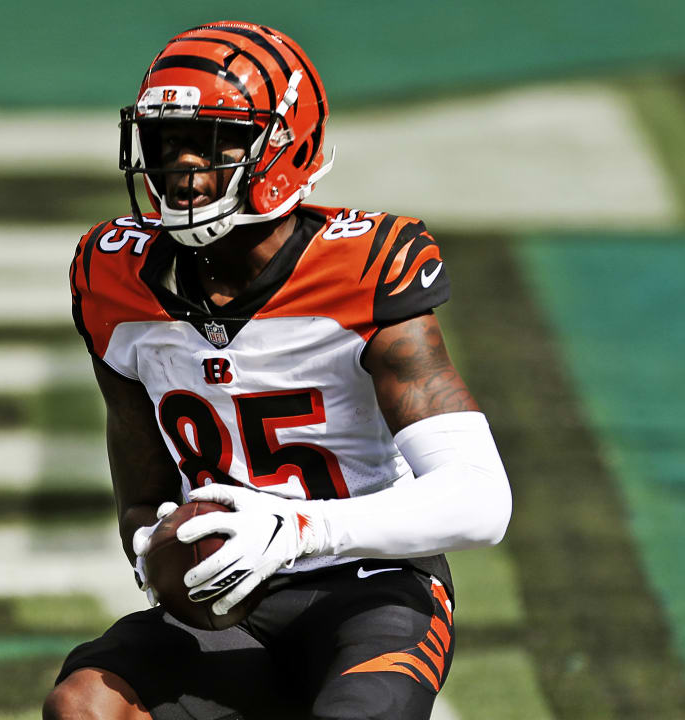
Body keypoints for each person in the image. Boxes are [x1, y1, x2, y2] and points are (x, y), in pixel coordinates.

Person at [44, 20, 512, 720]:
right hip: (232, 600)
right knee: (84, 707)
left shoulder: (364, 269)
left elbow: (481, 500)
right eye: (168, 144)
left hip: (372, 584)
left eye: (213, 143)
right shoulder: (112, 276)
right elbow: (141, 502)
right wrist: (163, 552)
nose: (184, 170)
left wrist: (299, 529)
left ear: (285, 149)